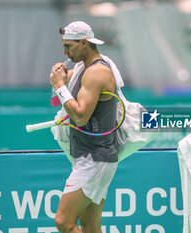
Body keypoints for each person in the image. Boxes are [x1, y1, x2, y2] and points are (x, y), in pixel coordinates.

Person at [49, 21, 119, 233]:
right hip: (91, 156)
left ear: (84, 43)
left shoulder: (96, 72)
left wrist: (60, 86)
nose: (65, 52)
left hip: (95, 158)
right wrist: (58, 84)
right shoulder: (82, 69)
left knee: (63, 221)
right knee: (90, 226)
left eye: (69, 46)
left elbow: (79, 116)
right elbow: (57, 102)